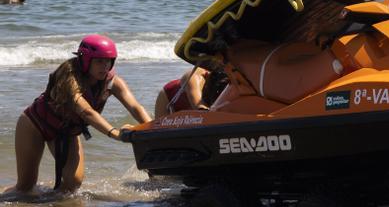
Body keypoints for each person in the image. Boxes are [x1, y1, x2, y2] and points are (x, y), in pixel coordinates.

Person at [8, 35, 151, 195]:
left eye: (108, 61)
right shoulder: (68, 78)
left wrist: (154, 127)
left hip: (66, 131)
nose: (105, 66)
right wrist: (115, 133)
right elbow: (87, 112)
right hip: (34, 125)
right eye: (99, 61)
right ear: (85, 60)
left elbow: (135, 107)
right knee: (25, 187)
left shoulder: (112, 82)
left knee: (72, 184)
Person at [154, 66, 229, 118]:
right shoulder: (195, 77)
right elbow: (200, 108)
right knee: (155, 132)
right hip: (171, 98)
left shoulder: (235, 81)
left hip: (205, 105)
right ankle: (141, 109)